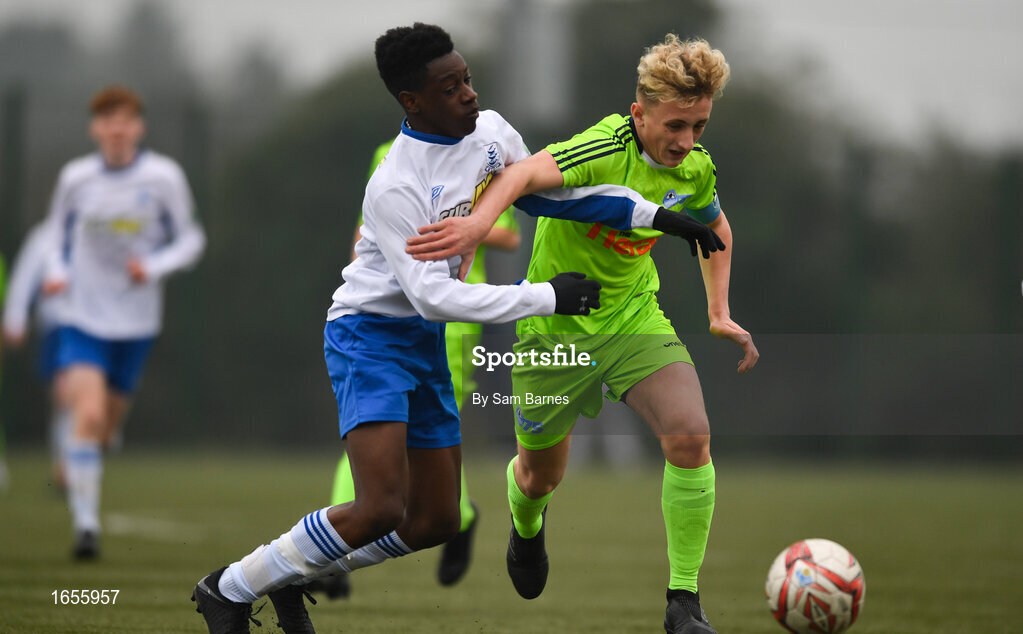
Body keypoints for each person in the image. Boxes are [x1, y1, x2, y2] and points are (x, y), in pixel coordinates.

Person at [189, 22, 709, 634]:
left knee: (435, 521)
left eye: (467, 78)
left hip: (424, 344)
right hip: (371, 336)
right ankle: (227, 588)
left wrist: (659, 218)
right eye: (449, 87)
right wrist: (545, 296)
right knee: (380, 505)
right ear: (413, 101)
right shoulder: (395, 186)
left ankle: (291, 576)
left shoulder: (490, 134)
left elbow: (553, 196)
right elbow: (432, 296)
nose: (468, 94)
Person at [406, 34, 758, 634]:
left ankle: (684, 604)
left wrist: (718, 310)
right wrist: (473, 231)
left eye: (698, 126)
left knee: (691, 437)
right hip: (553, 334)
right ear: (639, 113)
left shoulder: (694, 170)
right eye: (675, 125)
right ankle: (525, 524)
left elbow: (714, 226)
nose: (686, 141)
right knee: (540, 475)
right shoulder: (600, 147)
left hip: (631, 322)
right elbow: (516, 177)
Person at [312, 140, 521, 599]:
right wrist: (362, 273)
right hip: (390, 315)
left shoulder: (480, 151)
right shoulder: (388, 153)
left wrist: (461, 227)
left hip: (456, 311)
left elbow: (508, 232)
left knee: (434, 435)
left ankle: (456, 519)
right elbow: (370, 220)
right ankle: (332, 555)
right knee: (373, 432)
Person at [39, 85, 206, 560]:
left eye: (124, 119)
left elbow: (191, 239)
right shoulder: (76, 178)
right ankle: (86, 527)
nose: (116, 128)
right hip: (82, 316)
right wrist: (56, 272)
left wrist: (152, 267)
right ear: (95, 128)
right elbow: (55, 235)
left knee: (105, 430)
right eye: (107, 119)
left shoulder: (163, 177)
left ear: (138, 127)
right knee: (87, 415)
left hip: (135, 322)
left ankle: (91, 454)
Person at [3, 222, 70, 489]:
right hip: (58, 326)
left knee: (94, 403)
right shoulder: (44, 237)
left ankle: (75, 461)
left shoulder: (99, 229)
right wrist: (15, 319)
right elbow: (24, 278)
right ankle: (65, 467)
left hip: (100, 326)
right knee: (64, 396)